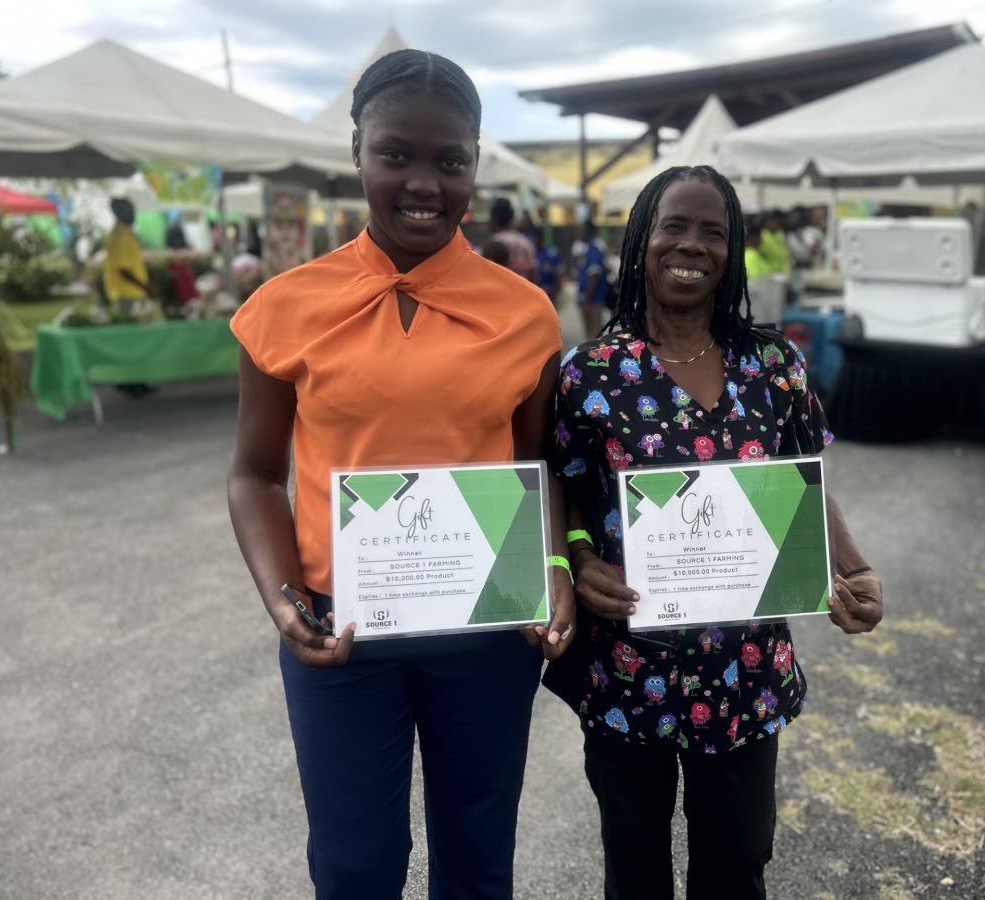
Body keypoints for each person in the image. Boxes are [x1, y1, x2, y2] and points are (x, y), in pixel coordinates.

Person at [226, 49, 574, 900]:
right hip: (339, 633)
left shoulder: (524, 313)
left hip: (488, 629)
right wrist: (281, 598)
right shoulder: (286, 306)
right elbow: (254, 475)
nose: (425, 182)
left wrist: (557, 566)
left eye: (450, 161)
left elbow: (537, 462)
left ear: (476, 165)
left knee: (478, 854)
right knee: (354, 865)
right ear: (356, 152)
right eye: (396, 155)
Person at [544, 165, 883, 900]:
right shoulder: (590, 372)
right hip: (629, 665)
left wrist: (852, 569)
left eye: (713, 232)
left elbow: (806, 484)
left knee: (736, 865)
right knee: (634, 868)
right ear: (641, 240)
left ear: (732, 253)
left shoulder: (774, 365)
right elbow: (565, 485)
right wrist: (573, 556)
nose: (691, 245)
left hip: (746, 667)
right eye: (674, 225)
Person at [103, 197, 149, 317]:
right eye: (131, 211)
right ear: (121, 213)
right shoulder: (119, 237)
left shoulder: (127, 234)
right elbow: (124, 270)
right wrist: (146, 287)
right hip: (127, 294)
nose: (134, 214)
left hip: (133, 293)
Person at [488, 196, 538, 281]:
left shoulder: (495, 243)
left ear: (494, 219)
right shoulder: (525, 242)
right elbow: (533, 274)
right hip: (524, 291)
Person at [575, 218, 610, 337]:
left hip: (592, 299)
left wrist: (587, 299)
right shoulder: (587, 248)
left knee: (594, 335)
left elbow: (594, 275)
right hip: (588, 298)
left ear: (588, 231)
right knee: (590, 334)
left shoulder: (594, 249)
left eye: (582, 230)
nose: (579, 233)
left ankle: (594, 356)